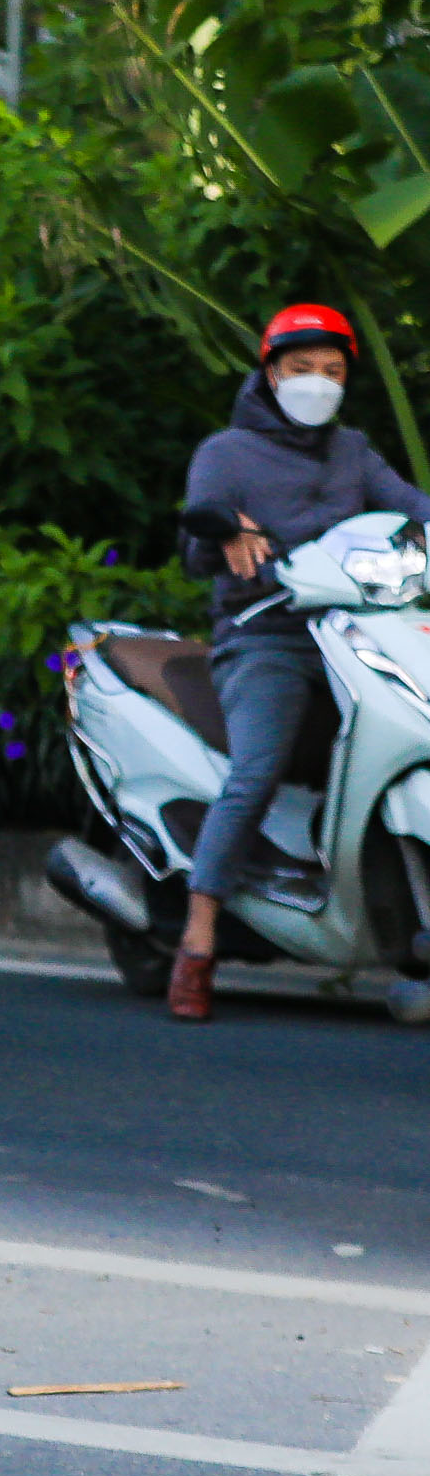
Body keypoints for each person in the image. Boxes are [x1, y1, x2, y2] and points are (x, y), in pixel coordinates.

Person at [170, 304, 430, 1020]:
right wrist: (224, 529)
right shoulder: (225, 452)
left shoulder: (352, 451)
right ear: (270, 372)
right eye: (301, 369)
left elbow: (412, 510)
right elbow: (197, 536)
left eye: (332, 371)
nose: (317, 382)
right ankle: (196, 942)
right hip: (266, 639)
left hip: (360, 633)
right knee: (255, 769)